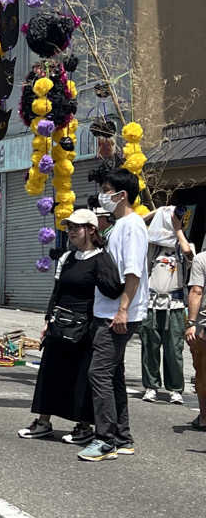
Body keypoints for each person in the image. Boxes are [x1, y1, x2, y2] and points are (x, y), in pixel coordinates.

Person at [19, 209, 123, 444]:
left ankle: (83, 427)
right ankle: (43, 422)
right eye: (69, 227)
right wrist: (47, 319)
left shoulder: (101, 258)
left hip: (85, 326)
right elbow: (57, 291)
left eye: (76, 227)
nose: (71, 231)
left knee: (80, 376)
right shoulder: (67, 257)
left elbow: (113, 290)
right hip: (60, 322)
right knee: (49, 372)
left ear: (91, 229)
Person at [79, 169, 149, 462]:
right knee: (113, 375)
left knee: (99, 373)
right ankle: (122, 437)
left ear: (122, 195)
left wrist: (122, 310)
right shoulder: (119, 225)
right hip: (108, 310)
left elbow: (133, 272)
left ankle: (105, 439)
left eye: (107, 190)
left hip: (118, 314)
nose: (103, 195)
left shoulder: (132, 226)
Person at [139, 205, 193, 404]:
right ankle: (151, 386)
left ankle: (175, 389)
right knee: (150, 347)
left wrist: (178, 229)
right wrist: (158, 211)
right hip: (152, 303)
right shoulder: (151, 247)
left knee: (174, 349)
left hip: (175, 305)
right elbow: (136, 225)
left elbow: (188, 253)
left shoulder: (184, 245)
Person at [185, 247, 206, 431]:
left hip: (204, 326)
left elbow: (197, 291)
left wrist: (191, 322)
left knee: (202, 371)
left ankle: (204, 417)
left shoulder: (202, 259)